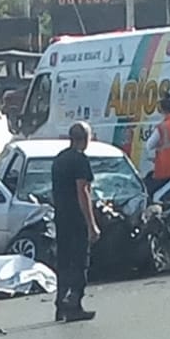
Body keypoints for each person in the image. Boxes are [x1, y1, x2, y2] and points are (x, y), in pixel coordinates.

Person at [51, 121, 100, 323]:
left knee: (63, 261)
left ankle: (60, 304)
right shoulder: (80, 160)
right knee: (80, 262)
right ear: (85, 139)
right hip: (76, 217)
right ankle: (75, 304)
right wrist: (92, 224)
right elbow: (83, 191)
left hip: (61, 216)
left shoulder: (59, 159)